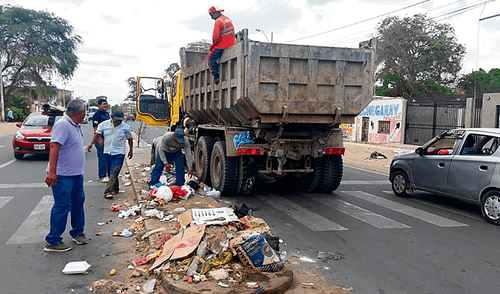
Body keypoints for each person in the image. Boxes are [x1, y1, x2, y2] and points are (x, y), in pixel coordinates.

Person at [44, 99, 87, 252]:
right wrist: (52, 172)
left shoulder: (74, 125)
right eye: (84, 112)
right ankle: (53, 240)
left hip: (75, 175)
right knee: (62, 206)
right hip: (63, 176)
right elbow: (54, 147)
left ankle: (77, 232)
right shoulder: (63, 124)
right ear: (80, 113)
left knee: (78, 203)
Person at [87, 108, 133, 199]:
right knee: (110, 172)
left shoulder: (126, 127)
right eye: (116, 120)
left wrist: (131, 150)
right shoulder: (103, 125)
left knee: (114, 172)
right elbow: (97, 135)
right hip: (107, 152)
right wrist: (91, 144)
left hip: (119, 153)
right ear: (112, 117)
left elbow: (130, 139)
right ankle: (115, 188)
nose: (118, 122)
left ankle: (108, 191)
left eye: (120, 120)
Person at [207, 6, 235, 84]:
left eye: (211, 15)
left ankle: (216, 77)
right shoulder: (227, 19)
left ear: (215, 13)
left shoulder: (218, 21)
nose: (211, 18)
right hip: (232, 44)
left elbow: (215, 37)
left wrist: (212, 46)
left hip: (222, 45)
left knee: (210, 59)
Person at [91, 98, 110, 182]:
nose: (105, 105)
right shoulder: (97, 115)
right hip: (100, 139)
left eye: (106, 104)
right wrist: (99, 139)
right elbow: (95, 129)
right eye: (103, 104)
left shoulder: (106, 114)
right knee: (102, 158)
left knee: (107, 157)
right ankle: (102, 175)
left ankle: (107, 174)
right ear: (99, 105)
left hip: (108, 139)